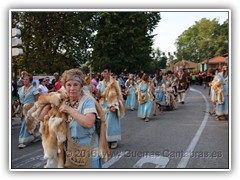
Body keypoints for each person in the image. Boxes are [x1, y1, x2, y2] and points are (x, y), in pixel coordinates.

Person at [58, 68, 103, 168]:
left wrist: (69, 110)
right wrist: (50, 100)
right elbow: (40, 117)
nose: (72, 88)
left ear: (81, 86)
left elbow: (89, 123)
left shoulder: (87, 101)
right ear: (64, 86)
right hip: (71, 148)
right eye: (69, 85)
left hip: (88, 147)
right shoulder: (64, 100)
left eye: (75, 85)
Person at [97, 65, 125, 149]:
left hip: (112, 106)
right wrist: (96, 93)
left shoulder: (115, 82)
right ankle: (107, 140)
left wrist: (115, 105)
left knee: (111, 124)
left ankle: (114, 140)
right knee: (104, 124)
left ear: (109, 72)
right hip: (103, 106)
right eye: (102, 72)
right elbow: (99, 96)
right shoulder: (100, 83)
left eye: (105, 71)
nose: (103, 73)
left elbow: (118, 95)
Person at [17, 74, 40, 149]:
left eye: (27, 79)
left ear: (30, 80)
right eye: (24, 79)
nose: (25, 80)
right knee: (30, 123)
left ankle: (24, 141)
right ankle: (36, 136)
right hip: (24, 109)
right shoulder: (21, 89)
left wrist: (36, 109)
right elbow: (19, 100)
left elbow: (38, 100)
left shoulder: (33, 89)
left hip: (31, 109)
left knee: (26, 123)